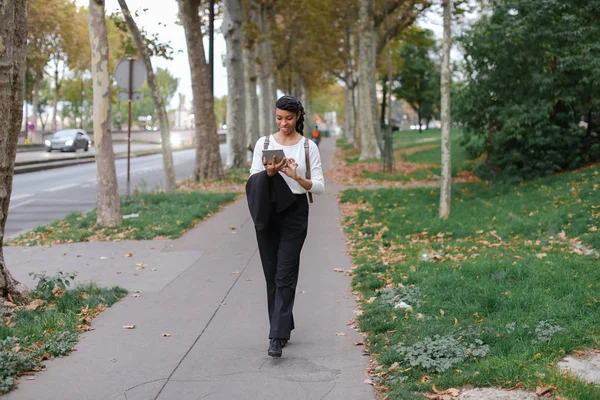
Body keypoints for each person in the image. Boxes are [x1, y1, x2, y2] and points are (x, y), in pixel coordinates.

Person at [246, 95, 325, 358]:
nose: (283, 123)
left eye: (289, 118)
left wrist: (297, 177)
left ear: (299, 117)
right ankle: (284, 323)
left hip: (295, 213)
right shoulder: (264, 143)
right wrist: (269, 173)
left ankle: (276, 337)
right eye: (279, 118)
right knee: (272, 274)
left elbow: (321, 186)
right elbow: (252, 180)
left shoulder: (307, 147)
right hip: (268, 211)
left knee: (285, 274)